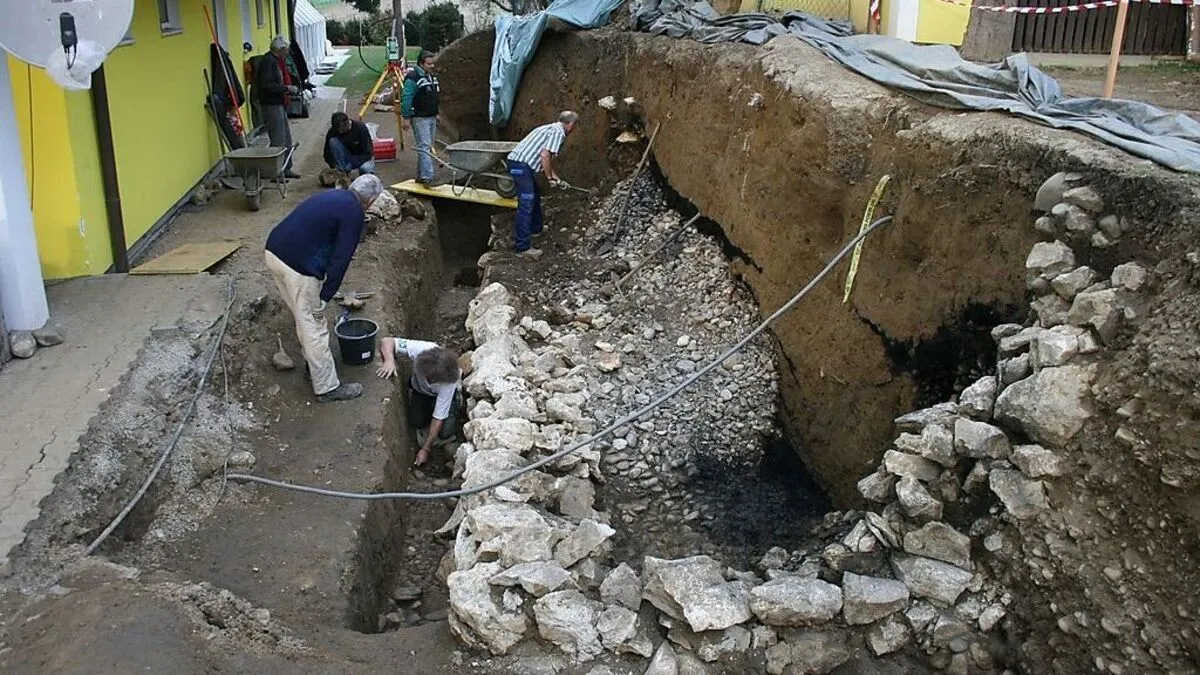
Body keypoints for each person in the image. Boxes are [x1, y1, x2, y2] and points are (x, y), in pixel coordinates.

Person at [264, 174, 384, 402]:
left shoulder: (335, 195)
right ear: (370, 201)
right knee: (314, 323)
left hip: (274, 252)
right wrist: (325, 296)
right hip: (298, 267)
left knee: (303, 317)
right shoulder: (354, 213)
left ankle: (314, 365)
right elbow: (341, 258)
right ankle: (327, 387)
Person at [376, 337, 463, 467]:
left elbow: (438, 417)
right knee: (416, 421)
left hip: (442, 396)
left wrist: (426, 449)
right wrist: (389, 360)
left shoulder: (448, 381)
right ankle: (427, 409)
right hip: (420, 392)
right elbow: (387, 341)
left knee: (446, 432)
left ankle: (457, 401)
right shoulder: (423, 350)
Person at [504, 111, 578, 258]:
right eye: (575, 126)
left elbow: (546, 159)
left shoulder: (549, 128)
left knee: (535, 195)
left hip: (520, 165)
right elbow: (545, 156)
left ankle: (535, 228)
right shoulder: (559, 133)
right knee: (526, 202)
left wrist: (557, 178)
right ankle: (522, 247)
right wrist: (549, 178)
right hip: (520, 166)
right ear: (571, 125)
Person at [254, 36, 301, 179]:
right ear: (280, 49)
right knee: (278, 140)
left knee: (286, 139)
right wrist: (286, 88)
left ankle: (286, 168)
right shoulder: (268, 62)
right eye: (285, 49)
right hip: (271, 106)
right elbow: (267, 85)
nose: (287, 52)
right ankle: (276, 172)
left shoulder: (275, 60)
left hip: (278, 104)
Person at [401, 51, 441, 185]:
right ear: (421, 64)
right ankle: (428, 178)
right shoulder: (413, 77)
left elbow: (433, 97)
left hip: (431, 116)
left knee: (427, 147)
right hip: (420, 118)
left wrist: (436, 113)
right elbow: (407, 98)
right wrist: (406, 117)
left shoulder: (430, 76)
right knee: (424, 147)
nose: (432, 66)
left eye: (432, 63)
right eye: (429, 64)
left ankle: (420, 176)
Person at [324, 112, 375, 177]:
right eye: (338, 130)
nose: (340, 132)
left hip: (362, 157)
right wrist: (333, 166)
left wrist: (352, 164)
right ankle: (342, 171)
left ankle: (353, 171)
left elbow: (368, 153)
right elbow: (327, 153)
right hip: (347, 156)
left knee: (366, 169)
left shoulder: (360, 128)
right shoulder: (333, 131)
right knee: (333, 141)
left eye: (342, 130)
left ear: (347, 123)